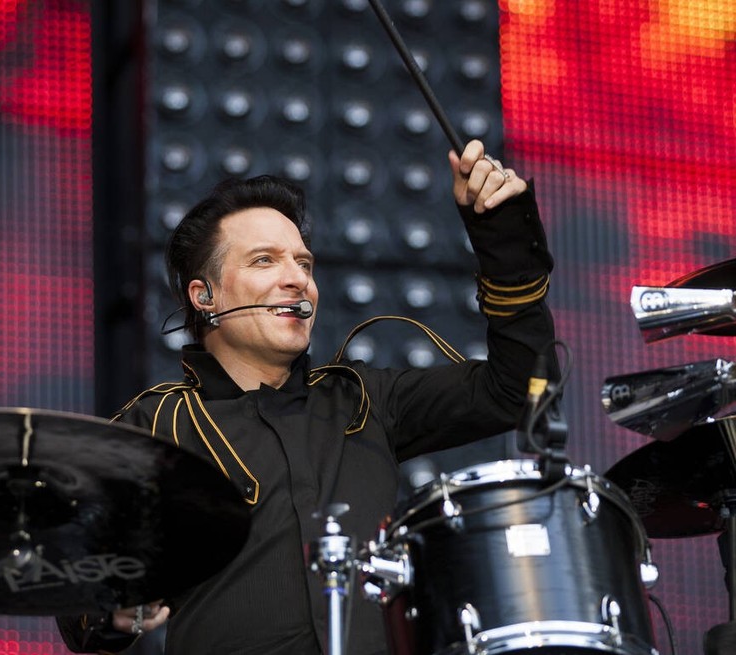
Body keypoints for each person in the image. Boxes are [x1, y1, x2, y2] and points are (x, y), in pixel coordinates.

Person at [56, 139, 556, 654]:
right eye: (264, 261)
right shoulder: (155, 424)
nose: (297, 280)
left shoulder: (364, 400)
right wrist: (109, 605)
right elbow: (72, 593)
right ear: (205, 296)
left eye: (304, 263)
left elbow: (519, 389)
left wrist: (504, 240)